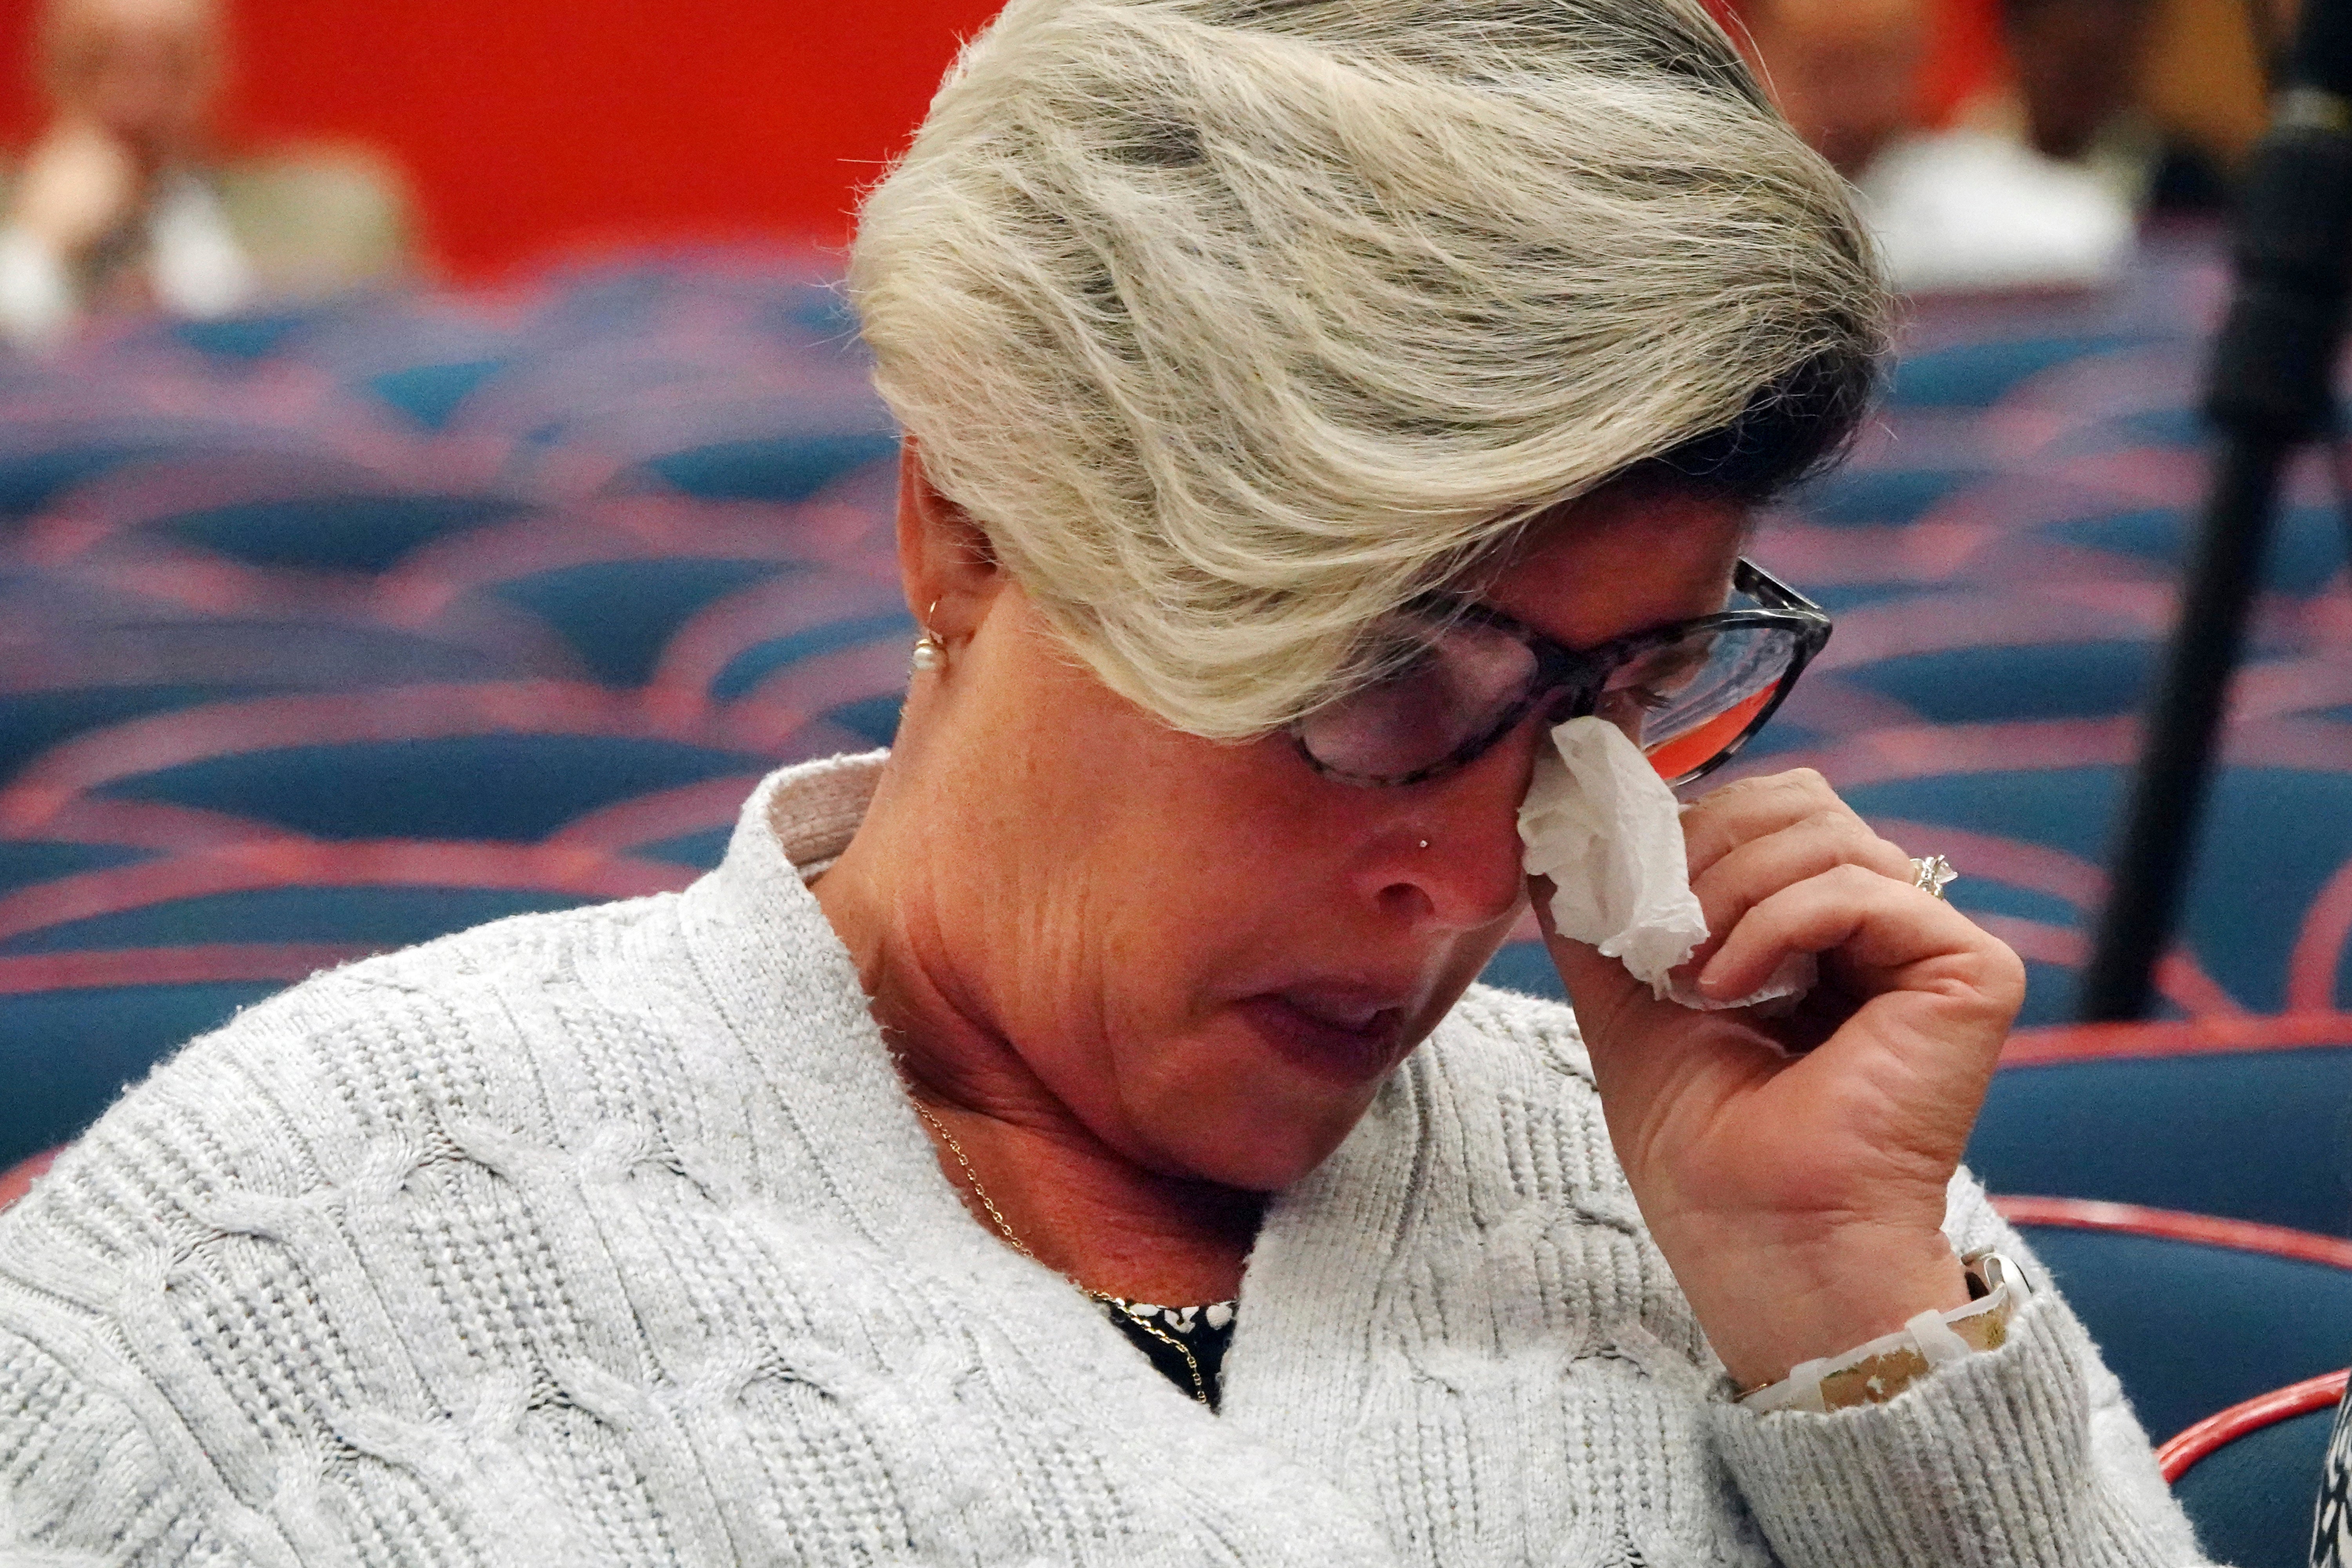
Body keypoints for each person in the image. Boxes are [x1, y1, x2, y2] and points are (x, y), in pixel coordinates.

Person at [0, 1, 2216, 1561]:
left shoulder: (1732, 1206)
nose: (1467, 873)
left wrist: (1853, 1336)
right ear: (964, 519)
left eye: (1620, 686)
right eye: (1368, 672)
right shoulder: (278, 1277)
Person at [0, 0, 412, 352]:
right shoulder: (12, 214)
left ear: (219, 70)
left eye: (171, 66)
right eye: (97, 62)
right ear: (46, 71)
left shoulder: (338, 212)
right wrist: (37, 244)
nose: (136, 103)